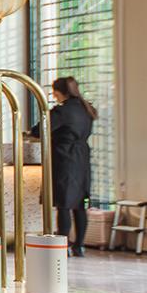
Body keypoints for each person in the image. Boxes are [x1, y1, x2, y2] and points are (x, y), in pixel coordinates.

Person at [35, 76, 97, 257]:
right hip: (82, 158)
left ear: (58, 92)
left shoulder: (62, 111)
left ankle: (64, 245)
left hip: (65, 158)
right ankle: (79, 246)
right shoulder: (86, 108)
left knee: (64, 203)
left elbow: (40, 130)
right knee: (79, 204)